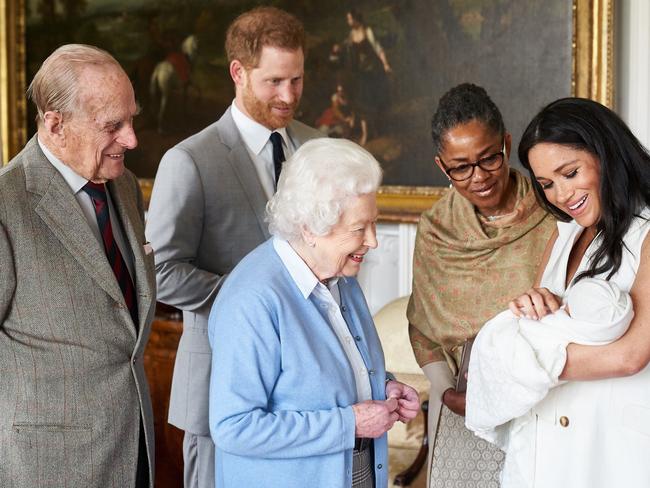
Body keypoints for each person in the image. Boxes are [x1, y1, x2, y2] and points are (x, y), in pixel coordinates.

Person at [145, 7, 322, 488]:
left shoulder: (316, 147)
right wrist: (252, 298)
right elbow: (160, 272)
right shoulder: (189, 161)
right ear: (238, 73)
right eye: (274, 82)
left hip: (305, 394)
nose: (288, 97)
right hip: (219, 387)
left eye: (297, 80)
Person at [208, 138, 420, 487]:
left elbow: (325, 377)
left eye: (374, 224)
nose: (373, 241)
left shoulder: (341, 275)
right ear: (310, 228)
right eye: (358, 229)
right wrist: (350, 424)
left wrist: (384, 388)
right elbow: (235, 427)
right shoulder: (253, 300)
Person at [0, 44, 155, 487]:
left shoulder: (124, 187)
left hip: (134, 447)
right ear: (55, 124)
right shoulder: (7, 204)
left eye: (132, 119)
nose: (131, 140)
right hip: (48, 466)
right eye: (113, 125)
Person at [406, 83, 556, 485]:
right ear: (442, 166)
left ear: (506, 144)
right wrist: (444, 393)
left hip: (545, 390)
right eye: (461, 167)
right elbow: (423, 326)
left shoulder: (553, 212)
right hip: (461, 400)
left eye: (489, 158)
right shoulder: (436, 230)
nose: (479, 177)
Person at [503, 97, 650, 488]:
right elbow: (536, 323)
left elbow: (631, 356)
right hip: (546, 438)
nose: (561, 195)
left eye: (570, 173)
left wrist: (517, 362)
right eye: (547, 184)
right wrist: (528, 308)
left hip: (612, 449)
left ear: (605, 153)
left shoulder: (647, 232)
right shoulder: (563, 234)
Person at [466, 278, 633, 478]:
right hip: (535, 428)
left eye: (568, 309)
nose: (564, 309)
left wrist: (500, 366)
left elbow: (628, 358)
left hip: (588, 432)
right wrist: (535, 303)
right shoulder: (558, 246)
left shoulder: (568, 329)